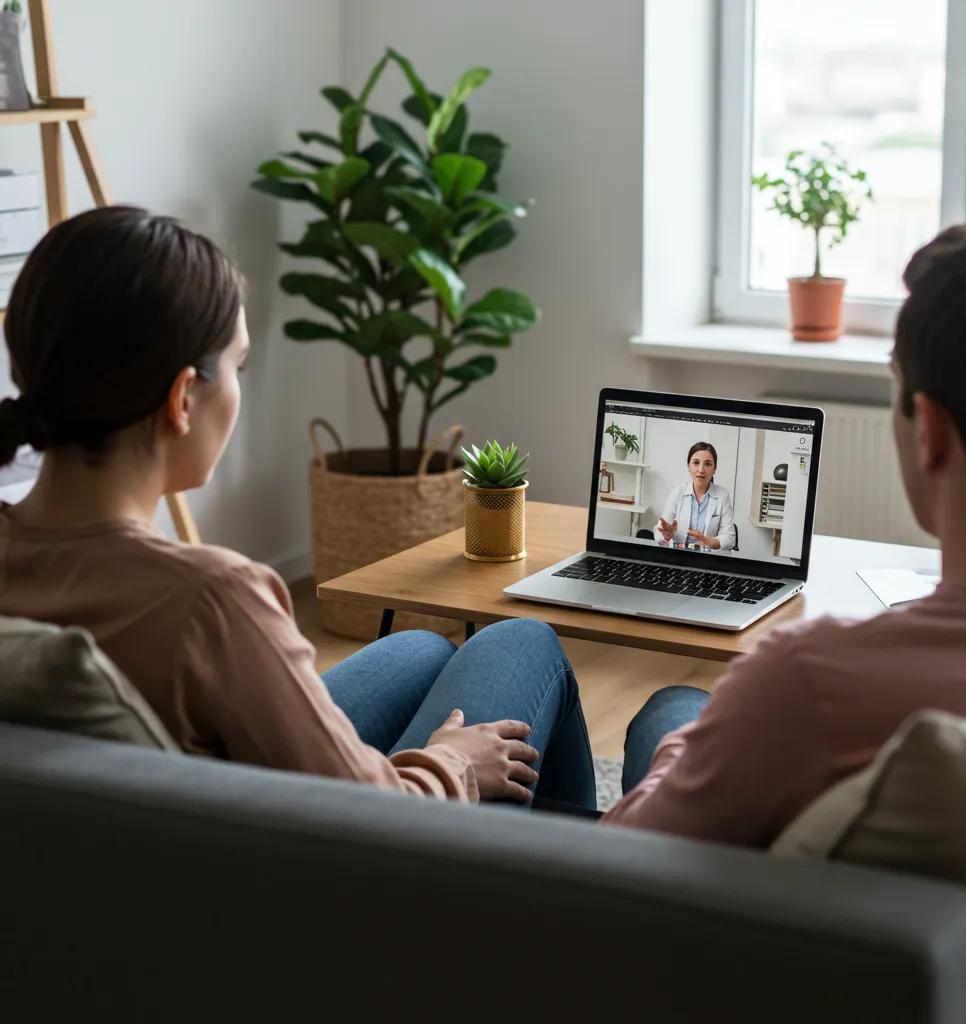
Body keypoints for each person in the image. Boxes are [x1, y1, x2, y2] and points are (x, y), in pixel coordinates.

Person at [0, 206, 596, 810]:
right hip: (323, 884)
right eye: (237, 366)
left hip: (115, 858)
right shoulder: (211, 603)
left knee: (422, 651)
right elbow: (364, 822)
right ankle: (582, 887)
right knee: (522, 641)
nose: (237, 389)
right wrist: (451, 761)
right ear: (183, 398)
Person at [603, 213, 966, 845]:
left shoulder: (809, 683)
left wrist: (680, 752)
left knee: (670, 712)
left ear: (930, 433)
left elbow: (620, 859)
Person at [654, 441, 736, 551]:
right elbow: (659, 531)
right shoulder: (678, 492)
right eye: (696, 463)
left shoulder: (722, 495)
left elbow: (729, 538)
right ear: (689, 466)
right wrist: (666, 535)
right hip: (678, 556)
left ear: (714, 469)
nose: (701, 469)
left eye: (707, 464)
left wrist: (707, 541)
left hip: (707, 560)